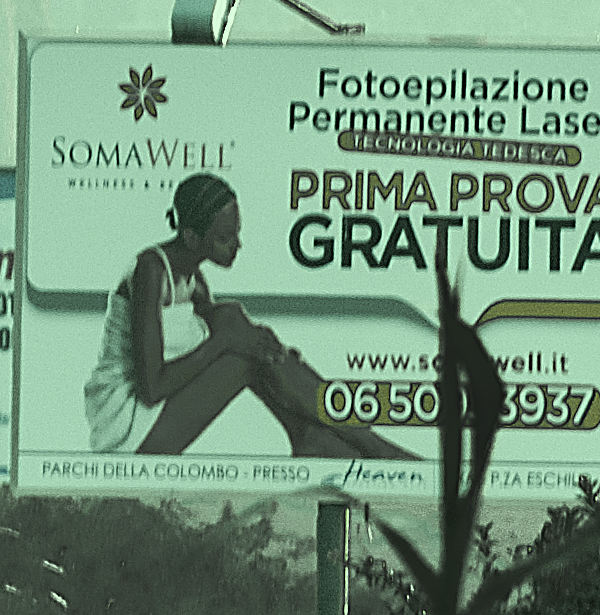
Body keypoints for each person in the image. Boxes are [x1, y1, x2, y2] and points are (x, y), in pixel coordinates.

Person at [86, 175, 411, 460]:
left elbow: (230, 335)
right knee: (245, 354)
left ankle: (315, 435)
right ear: (191, 237)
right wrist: (230, 343)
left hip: (155, 410)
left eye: (237, 233)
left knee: (236, 322)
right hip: (127, 424)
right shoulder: (151, 270)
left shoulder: (194, 280)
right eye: (224, 238)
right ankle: (366, 444)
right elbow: (151, 387)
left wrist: (276, 356)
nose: (237, 245)